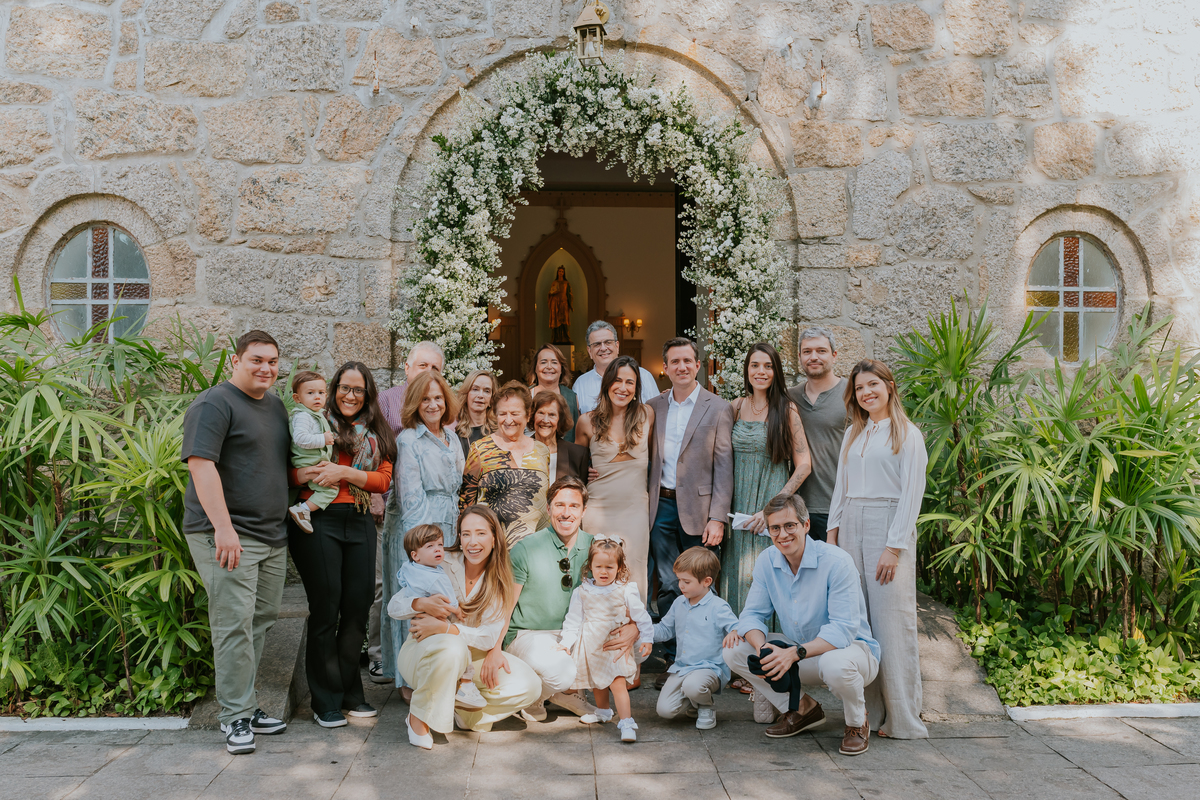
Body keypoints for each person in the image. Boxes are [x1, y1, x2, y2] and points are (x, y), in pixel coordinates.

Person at [182, 330, 291, 755]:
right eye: (257, 360)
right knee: (233, 625)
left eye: (272, 361)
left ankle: (246, 705)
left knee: (259, 621)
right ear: (235, 360)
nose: (266, 368)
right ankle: (234, 717)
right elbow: (200, 465)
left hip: (271, 536)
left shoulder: (277, 406)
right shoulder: (214, 403)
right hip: (224, 536)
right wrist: (224, 528)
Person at [724, 493, 880, 756]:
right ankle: (802, 708)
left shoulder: (837, 562)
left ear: (806, 525)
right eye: (775, 528)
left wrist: (793, 653)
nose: (782, 534)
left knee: (835, 664)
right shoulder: (766, 561)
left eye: (789, 526)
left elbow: (843, 629)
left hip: (852, 652)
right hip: (799, 654)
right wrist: (763, 649)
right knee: (734, 651)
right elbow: (751, 616)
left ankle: (856, 723)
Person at [287, 361, 395, 728]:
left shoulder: (376, 432)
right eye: (345, 388)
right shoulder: (313, 422)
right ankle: (325, 700)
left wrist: (345, 472)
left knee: (357, 607)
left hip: (360, 520)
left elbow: (382, 481)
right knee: (326, 609)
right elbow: (292, 467)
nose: (351, 395)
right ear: (334, 390)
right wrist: (307, 474)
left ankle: (352, 691)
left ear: (368, 395)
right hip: (319, 520)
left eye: (358, 389)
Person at [827, 359, 929, 740]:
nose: (866, 393)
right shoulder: (855, 432)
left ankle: (902, 719)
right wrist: (832, 536)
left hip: (888, 525)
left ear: (889, 386)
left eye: (873, 385)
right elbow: (841, 485)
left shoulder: (908, 434)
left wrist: (894, 547)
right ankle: (866, 715)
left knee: (890, 621)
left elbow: (911, 496)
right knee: (859, 621)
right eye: (859, 388)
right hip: (850, 521)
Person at [389, 506, 542, 747]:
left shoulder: (500, 577)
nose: (472, 542)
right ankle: (417, 718)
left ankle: (464, 712)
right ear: (458, 537)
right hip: (424, 654)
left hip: (470, 659)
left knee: (529, 686)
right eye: (465, 533)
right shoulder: (439, 561)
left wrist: (449, 629)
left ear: (494, 537)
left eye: (481, 533)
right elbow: (394, 607)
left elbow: (489, 636)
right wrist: (421, 602)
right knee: (452, 647)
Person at [505, 477, 640, 722]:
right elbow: (506, 606)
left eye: (574, 506)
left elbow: (620, 593)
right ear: (549, 509)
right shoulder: (526, 548)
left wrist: (634, 627)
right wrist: (494, 650)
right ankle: (534, 694)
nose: (566, 513)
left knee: (620, 642)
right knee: (561, 670)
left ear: (584, 511)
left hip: (577, 632)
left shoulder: (596, 547)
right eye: (559, 505)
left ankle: (565, 692)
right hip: (531, 634)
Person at [647, 337, 733, 685]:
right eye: (674, 362)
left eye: (687, 361)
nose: (681, 367)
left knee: (701, 584)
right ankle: (673, 657)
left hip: (701, 509)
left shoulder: (719, 407)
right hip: (661, 506)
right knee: (669, 583)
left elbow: (725, 465)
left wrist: (718, 516)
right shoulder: (653, 406)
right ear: (664, 368)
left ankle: (707, 658)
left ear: (699, 366)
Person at [380, 370, 464, 692]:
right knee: (415, 598)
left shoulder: (452, 437)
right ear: (415, 402)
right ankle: (408, 680)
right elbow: (411, 497)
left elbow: (456, 487)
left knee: (443, 597)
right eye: (425, 398)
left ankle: (441, 670)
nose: (432, 404)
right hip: (417, 533)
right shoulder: (408, 439)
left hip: (448, 526)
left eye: (438, 398)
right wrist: (425, 549)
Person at [370, 341, 445, 684]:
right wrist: (376, 495)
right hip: (397, 506)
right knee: (390, 587)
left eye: (436, 369)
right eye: (422, 366)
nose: (428, 374)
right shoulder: (388, 402)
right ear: (407, 366)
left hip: (440, 519)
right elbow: (377, 450)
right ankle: (388, 661)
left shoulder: (446, 422)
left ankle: (430, 663)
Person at [721, 343, 812, 620]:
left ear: (776, 371)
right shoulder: (735, 407)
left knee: (770, 575)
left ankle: (773, 650)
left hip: (771, 507)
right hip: (738, 508)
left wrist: (773, 508)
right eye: (755, 365)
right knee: (737, 571)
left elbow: (804, 464)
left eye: (768, 366)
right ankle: (739, 649)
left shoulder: (786, 409)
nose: (761, 371)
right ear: (746, 369)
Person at [575, 356, 654, 604]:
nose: (623, 387)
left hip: (635, 509)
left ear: (636, 388)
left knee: (634, 570)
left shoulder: (647, 415)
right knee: (598, 570)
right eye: (617, 380)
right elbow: (577, 467)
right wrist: (586, 469)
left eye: (630, 382)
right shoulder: (586, 421)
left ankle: (630, 635)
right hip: (598, 508)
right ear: (607, 383)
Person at [559, 536, 654, 742]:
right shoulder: (582, 590)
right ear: (590, 566)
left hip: (615, 644)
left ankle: (627, 722)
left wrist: (647, 638)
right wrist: (566, 643)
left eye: (610, 567)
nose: (604, 571)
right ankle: (603, 711)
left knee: (617, 682)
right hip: (591, 643)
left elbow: (641, 615)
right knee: (597, 682)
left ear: (619, 568)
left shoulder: (624, 589)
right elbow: (573, 619)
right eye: (599, 566)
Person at [394, 524, 487, 711]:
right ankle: (466, 684)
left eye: (439, 545)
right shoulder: (437, 576)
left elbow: (402, 580)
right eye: (430, 546)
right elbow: (449, 599)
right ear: (415, 555)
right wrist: (458, 610)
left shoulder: (409, 568)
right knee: (461, 648)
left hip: (419, 623)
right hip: (436, 620)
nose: (438, 549)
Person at [653, 547, 740, 730]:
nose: (680, 586)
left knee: (694, 685)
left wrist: (734, 631)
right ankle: (695, 701)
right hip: (683, 668)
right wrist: (642, 631)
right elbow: (664, 630)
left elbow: (737, 626)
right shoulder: (679, 603)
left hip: (710, 668)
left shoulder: (718, 606)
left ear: (706, 581)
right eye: (679, 580)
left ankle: (706, 706)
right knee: (665, 711)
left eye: (686, 581)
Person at [460, 381, 550, 545]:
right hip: (493, 548)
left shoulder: (542, 450)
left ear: (528, 414)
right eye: (502, 414)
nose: (508, 420)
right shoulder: (479, 449)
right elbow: (466, 504)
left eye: (515, 413)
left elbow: (544, 500)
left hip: (537, 547)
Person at [787, 327, 848, 542]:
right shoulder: (789, 397)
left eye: (821, 351)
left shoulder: (852, 393)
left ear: (834, 355)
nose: (813, 357)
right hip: (797, 509)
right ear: (800, 357)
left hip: (840, 506)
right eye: (807, 351)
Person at [286, 370, 336, 533]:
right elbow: (300, 439)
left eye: (321, 393)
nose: (317, 397)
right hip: (307, 462)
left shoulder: (315, 414)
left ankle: (304, 509)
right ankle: (303, 509)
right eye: (310, 393)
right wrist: (323, 439)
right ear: (297, 398)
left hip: (314, 460)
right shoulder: (302, 416)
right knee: (330, 490)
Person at [573, 321, 660, 414]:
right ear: (589, 351)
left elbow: (658, 414)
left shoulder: (643, 376)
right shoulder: (580, 384)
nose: (603, 348)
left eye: (608, 342)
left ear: (617, 346)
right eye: (597, 344)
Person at [530, 391, 590, 483]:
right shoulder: (519, 450)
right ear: (532, 416)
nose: (545, 420)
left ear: (560, 420)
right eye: (541, 413)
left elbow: (583, 491)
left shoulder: (578, 455)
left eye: (552, 415)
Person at [528, 343, 580, 441]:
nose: (549, 366)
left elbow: (576, 435)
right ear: (535, 368)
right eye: (543, 362)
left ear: (561, 368)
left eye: (554, 362)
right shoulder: (525, 396)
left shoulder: (572, 398)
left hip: (563, 455)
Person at [455, 369, 499, 457]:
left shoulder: (499, 430)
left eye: (487, 391)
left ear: (491, 399)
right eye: (475, 389)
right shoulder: (454, 431)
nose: (480, 395)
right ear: (466, 394)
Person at [548, 265, 573, 342]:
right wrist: (552, 293)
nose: (561, 273)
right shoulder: (554, 282)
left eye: (562, 271)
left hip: (564, 302)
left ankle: (566, 338)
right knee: (556, 320)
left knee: (564, 320)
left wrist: (570, 303)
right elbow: (550, 293)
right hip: (555, 303)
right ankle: (556, 338)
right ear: (557, 272)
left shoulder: (566, 283)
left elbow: (569, 293)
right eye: (559, 271)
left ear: (564, 273)